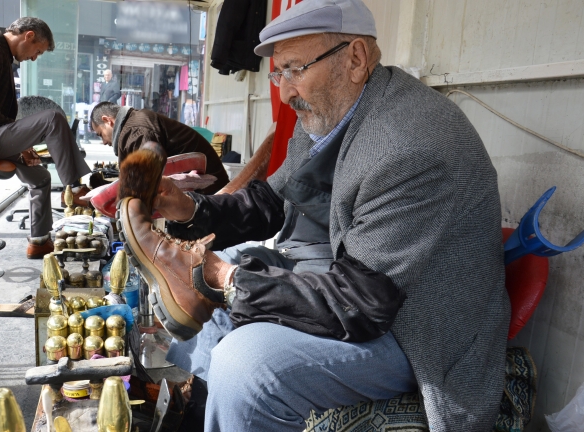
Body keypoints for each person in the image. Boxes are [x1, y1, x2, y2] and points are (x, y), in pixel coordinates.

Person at [116, 0, 511, 430]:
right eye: (277, 73)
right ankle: (204, 411)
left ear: (356, 58)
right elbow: (275, 201)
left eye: (294, 69)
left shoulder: (409, 145)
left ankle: (229, 403)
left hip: (420, 332)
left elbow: (362, 304)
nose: (285, 92)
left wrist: (221, 279)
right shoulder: (331, 114)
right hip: (366, 285)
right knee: (222, 289)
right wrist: (191, 208)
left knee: (246, 365)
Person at [0, 17, 91, 259]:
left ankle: (39, 241)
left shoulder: (0, 53)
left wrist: (20, 144)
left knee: (40, 177)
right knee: (53, 119)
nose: (34, 58)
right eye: (37, 51)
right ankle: (76, 188)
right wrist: (21, 141)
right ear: (28, 36)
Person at [90, 102, 229, 194]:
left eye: (100, 134)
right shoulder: (133, 124)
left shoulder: (137, 130)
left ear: (107, 120)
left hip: (211, 194)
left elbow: (143, 182)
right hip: (205, 190)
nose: (103, 142)